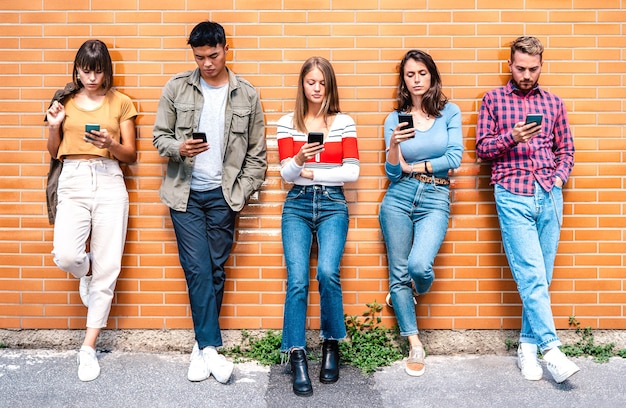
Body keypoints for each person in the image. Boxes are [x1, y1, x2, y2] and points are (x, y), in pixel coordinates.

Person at [152, 21, 266, 384]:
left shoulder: (246, 94)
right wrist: (179, 148)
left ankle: (201, 349)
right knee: (198, 268)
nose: (206, 64)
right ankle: (209, 347)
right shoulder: (176, 88)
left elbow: (258, 155)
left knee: (215, 270)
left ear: (225, 49)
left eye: (213, 55)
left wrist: (242, 190)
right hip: (184, 194)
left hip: (223, 196)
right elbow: (159, 137)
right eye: (199, 57)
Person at [476, 36, 579, 383]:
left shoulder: (554, 103)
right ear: (510, 64)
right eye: (520, 68)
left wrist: (558, 180)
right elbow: (481, 150)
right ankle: (551, 349)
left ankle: (527, 346)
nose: (526, 74)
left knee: (541, 278)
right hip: (512, 192)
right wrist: (513, 137)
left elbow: (566, 149)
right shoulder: (493, 100)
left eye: (533, 69)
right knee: (532, 275)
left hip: (548, 193)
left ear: (541, 66)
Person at [45, 40, 137, 382]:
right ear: (77, 69)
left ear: (106, 70)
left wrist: (110, 145)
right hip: (73, 180)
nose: (92, 77)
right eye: (86, 70)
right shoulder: (63, 101)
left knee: (108, 268)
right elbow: (55, 153)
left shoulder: (121, 102)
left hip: (110, 180)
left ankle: (88, 347)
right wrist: (54, 126)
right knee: (67, 255)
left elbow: (131, 155)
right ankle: (85, 271)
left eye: (97, 71)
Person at [276, 56, 359, 397]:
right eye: (311, 82)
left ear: (330, 85)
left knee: (327, 272)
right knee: (297, 280)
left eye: (322, 82)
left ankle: (330, 345)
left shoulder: (344, 123)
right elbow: (285, 175)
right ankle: (296, 354)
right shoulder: (286, 124)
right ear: (302, 84)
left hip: (332, 205)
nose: (316, 88)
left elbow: (351, 172)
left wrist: (311, 172)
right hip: (296, 205)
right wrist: (298, 161)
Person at [379, 50, 463, 377]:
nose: (416, 80)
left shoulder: (449, 113)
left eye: (422, 73)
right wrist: (393, 147)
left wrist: (416, 164)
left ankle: (409, 291)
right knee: (398, 272)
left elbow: (454, 157)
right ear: (404, 79)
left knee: (418, 266)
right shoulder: (394, 118)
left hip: (436, 195)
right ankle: (415, 343)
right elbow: (392, 172)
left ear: (432, 76)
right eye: (410, 74)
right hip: (398, 198)